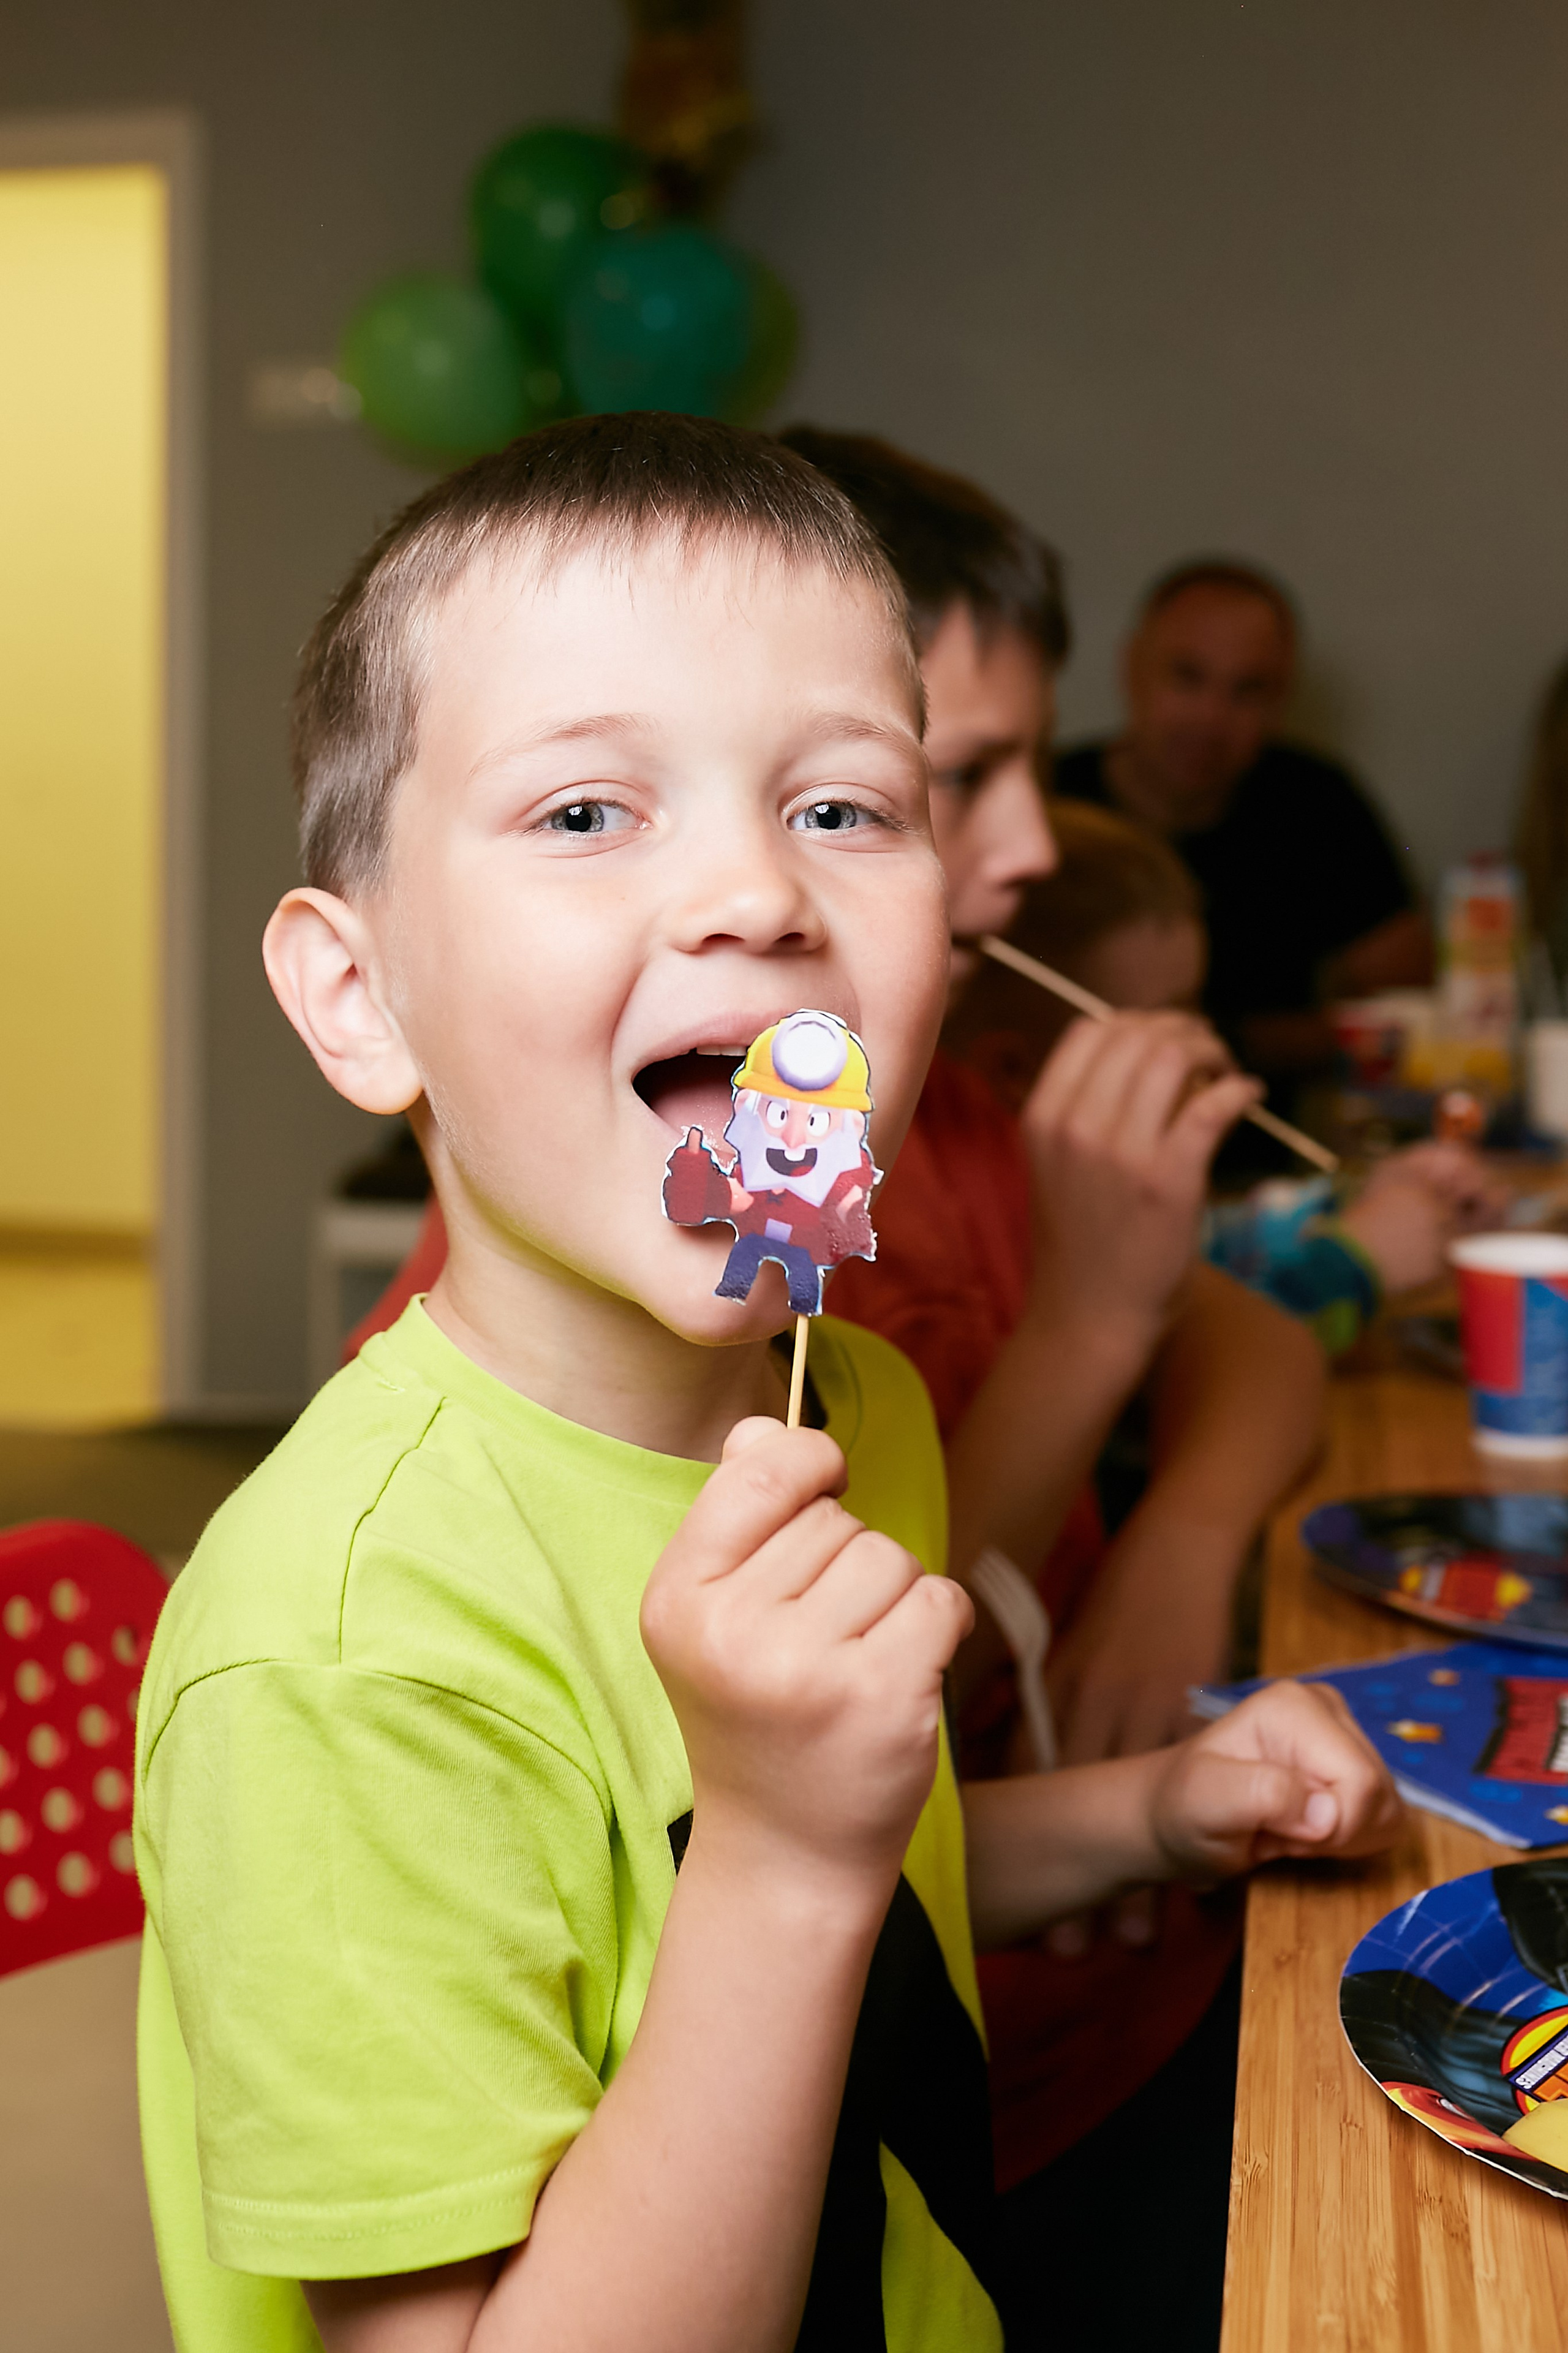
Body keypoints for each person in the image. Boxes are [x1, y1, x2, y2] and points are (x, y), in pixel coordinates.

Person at [132, 414, 1401, 2353]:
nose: (755, 892)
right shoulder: (340, 1656)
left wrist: (1148, 1809)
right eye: (585, 811)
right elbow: (784, 1884)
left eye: (840, 808)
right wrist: (787, 1854)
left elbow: (866, 1911)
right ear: (358, 997)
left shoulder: (850, 1400)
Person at [954, 798, 1507, 1354]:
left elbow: (1212, 1248)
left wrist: (1357, 1204)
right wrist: (1355, 1264)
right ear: (1017, 1072)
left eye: (1199, 1008)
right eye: (1170, 1018)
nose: (1209, 1049)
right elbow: (1189, 1358)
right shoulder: (1009, 1237)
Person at [1054, 560, 1431, 1117]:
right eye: (1187, 676)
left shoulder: (1321, 803)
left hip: (1269, 1166)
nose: (1211, 717)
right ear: (1132, 668)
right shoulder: (1048, 799)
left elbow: (1410, 1016)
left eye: (1248, 691)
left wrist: (1240, 1042)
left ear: (1281, 702)